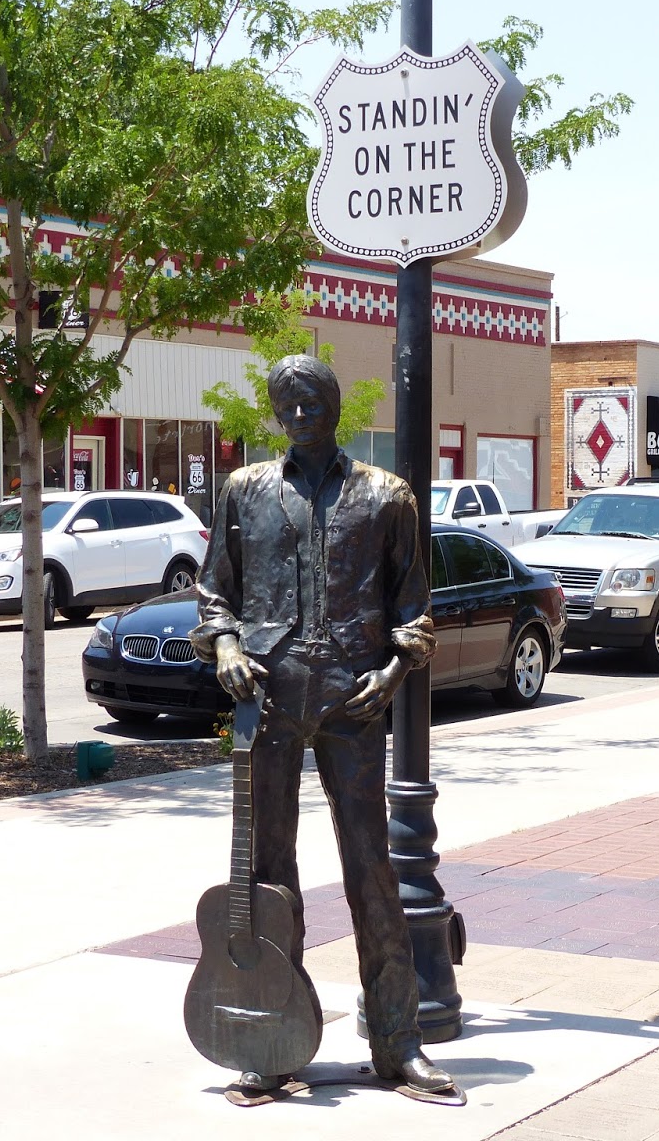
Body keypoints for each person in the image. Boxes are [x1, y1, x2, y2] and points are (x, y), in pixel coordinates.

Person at [189, 354, 456, 1099]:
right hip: (270, 699)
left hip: (352, 699)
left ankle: (398, 1043)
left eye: (312, 401)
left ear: (335, 405)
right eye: (287, 403)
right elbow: (215, 594)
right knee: (267, 872)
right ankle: (274, 1042)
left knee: (372, 867)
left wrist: (395, 673)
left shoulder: (385, 496)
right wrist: (230, 648)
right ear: (276, 413)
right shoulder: (245, 492)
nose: (300, 413)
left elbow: (415, 612)